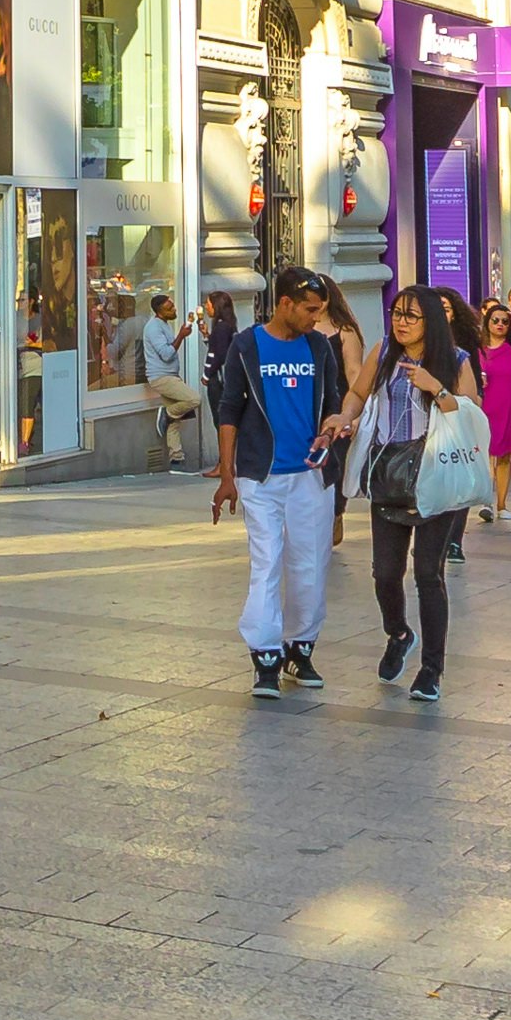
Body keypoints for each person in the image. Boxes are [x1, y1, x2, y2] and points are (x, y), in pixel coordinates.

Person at [214, 269, 341, 698]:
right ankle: (265, 654)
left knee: (309, 565)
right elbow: (229, 407)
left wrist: (330, 430)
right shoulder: (246, 345)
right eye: (309, 309)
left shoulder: (319, 346)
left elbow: (334, 403)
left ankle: (300, 648)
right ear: (284, 303)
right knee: (267, 561)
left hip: (310, 474)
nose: (315, 318)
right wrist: (227, 474)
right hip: (261, 474)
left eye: (319, 311)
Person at [354, 287, 482, 701]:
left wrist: (436, 388)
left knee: (429, 574)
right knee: (385, 573)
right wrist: (343, 415)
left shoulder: (457, 361)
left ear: (431, 320)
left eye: (411, 316)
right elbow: (358, 393)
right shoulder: (384, 352)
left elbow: (471, 417)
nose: (401, 322)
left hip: (436, 475)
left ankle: (431, 670)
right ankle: (398, 632)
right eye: (396, 313)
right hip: (389, 472)